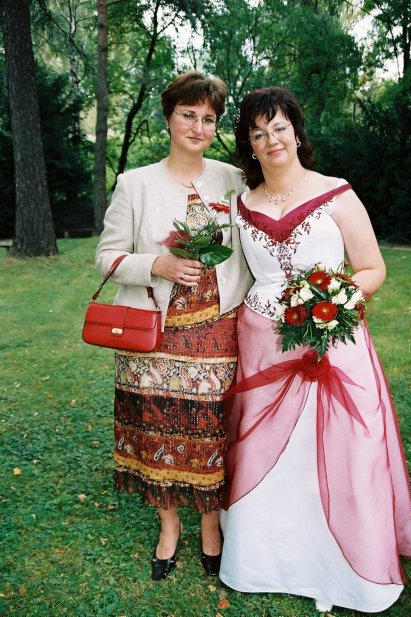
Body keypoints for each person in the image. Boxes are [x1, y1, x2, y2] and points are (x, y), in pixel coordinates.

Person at [219, 87, 411, 612]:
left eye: (279, 127)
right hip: (263, 344)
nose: (271, 140)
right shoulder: (240, 206)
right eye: (258, 133)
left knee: (345, 445)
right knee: (264, 447)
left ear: (296, 131)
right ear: (249, 144)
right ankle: (262, 561)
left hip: (334, 339)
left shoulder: (336, 193)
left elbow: (372, 267)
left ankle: (345, 567)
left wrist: (332, 303)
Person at [95, 71, 253, 581]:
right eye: (188, 115)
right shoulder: (135, 183)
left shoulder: (233, 179)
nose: (198, 127)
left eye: (208, 118)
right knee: (155, 425)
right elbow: (105, 257)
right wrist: (156, 265)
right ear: (168, 118)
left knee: (211, 428)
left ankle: (210, 524)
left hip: (217, 328)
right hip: (153, 330)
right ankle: (169, 525)